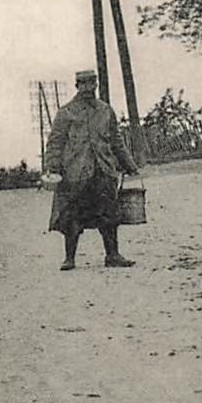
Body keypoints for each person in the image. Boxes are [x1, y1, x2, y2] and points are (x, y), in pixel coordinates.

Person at [46, 68, 140, 270]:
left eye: (92, 85)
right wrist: (53, 168)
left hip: (103, 171)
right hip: (75, 174)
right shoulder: (66, 113)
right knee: (72, 216)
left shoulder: (105, 111)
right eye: (84, 85)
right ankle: (69, 258)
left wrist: (129, 164)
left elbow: (116, 141)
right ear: (77, 86)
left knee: (109, 214)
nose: (89, 89)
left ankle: (113, 255)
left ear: (96, 85)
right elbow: (55, 143)